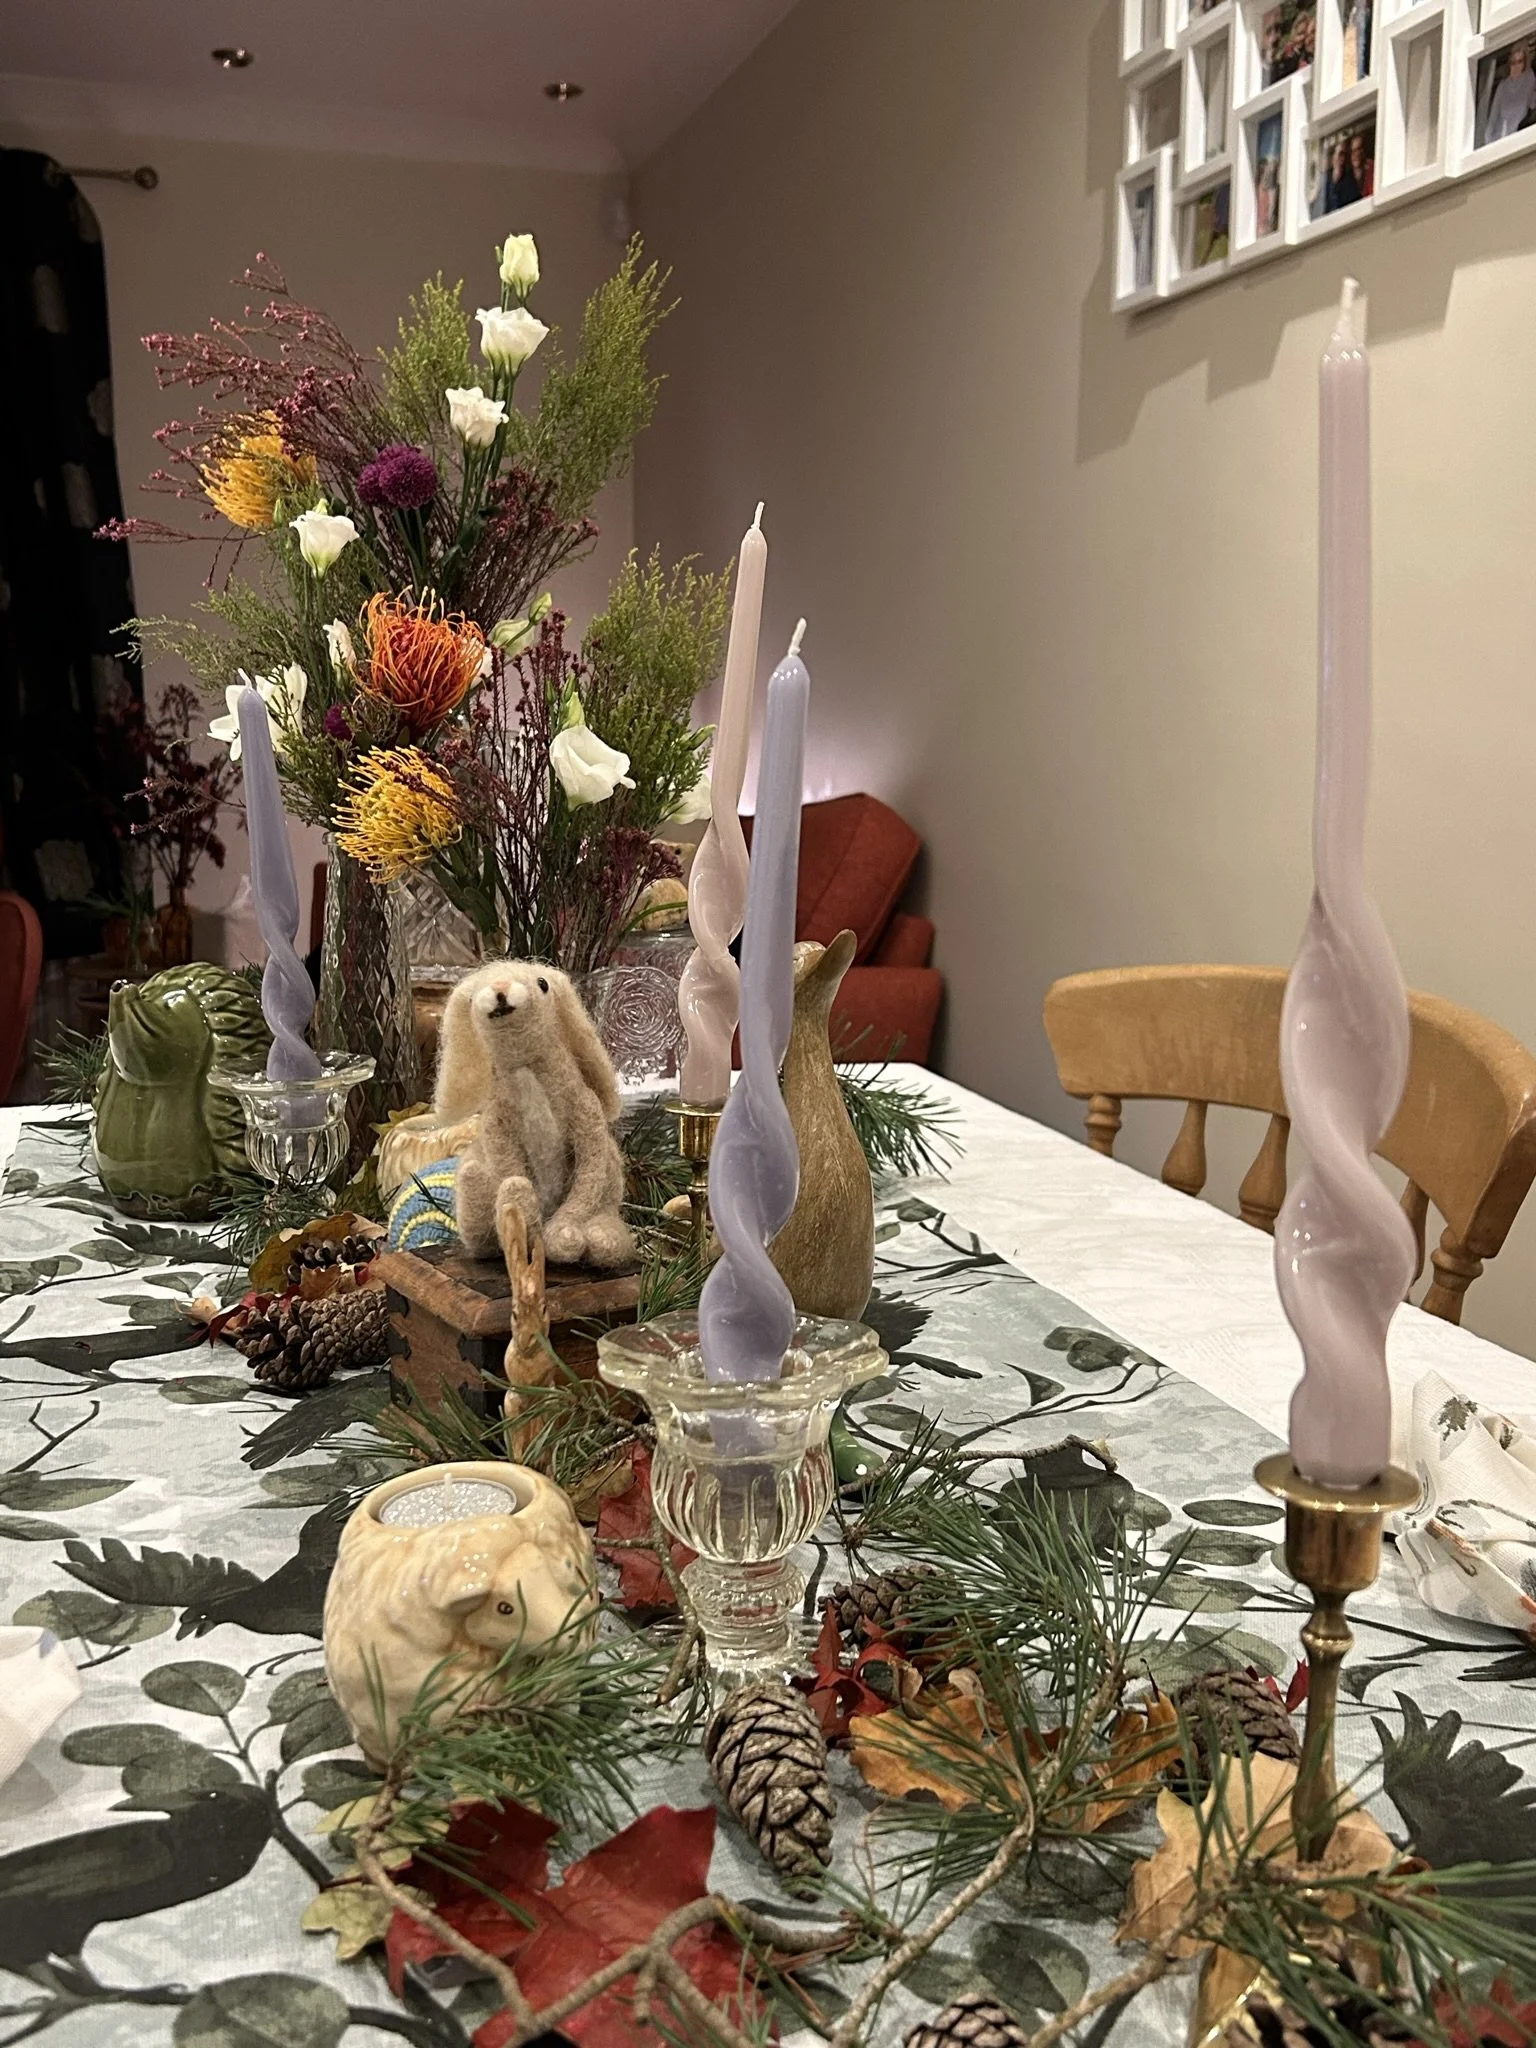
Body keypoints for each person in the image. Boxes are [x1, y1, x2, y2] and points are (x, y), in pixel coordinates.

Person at [1486, 41, 1536, 145]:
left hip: (1520, 137)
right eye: (1513, 63)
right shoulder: (1503, 86)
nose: (1516, 66)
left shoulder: (1529, 78)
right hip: (1499, 138)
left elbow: (1532, 104)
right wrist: (1488, 141)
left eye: (1520, 62)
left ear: (1524, 63)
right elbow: (1493, 118)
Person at [1349, 128, 1374, 199]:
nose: (1356, 154)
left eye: (1359, 149)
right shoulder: (1348, 176)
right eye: (1353, 151)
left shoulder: (1372, 168)